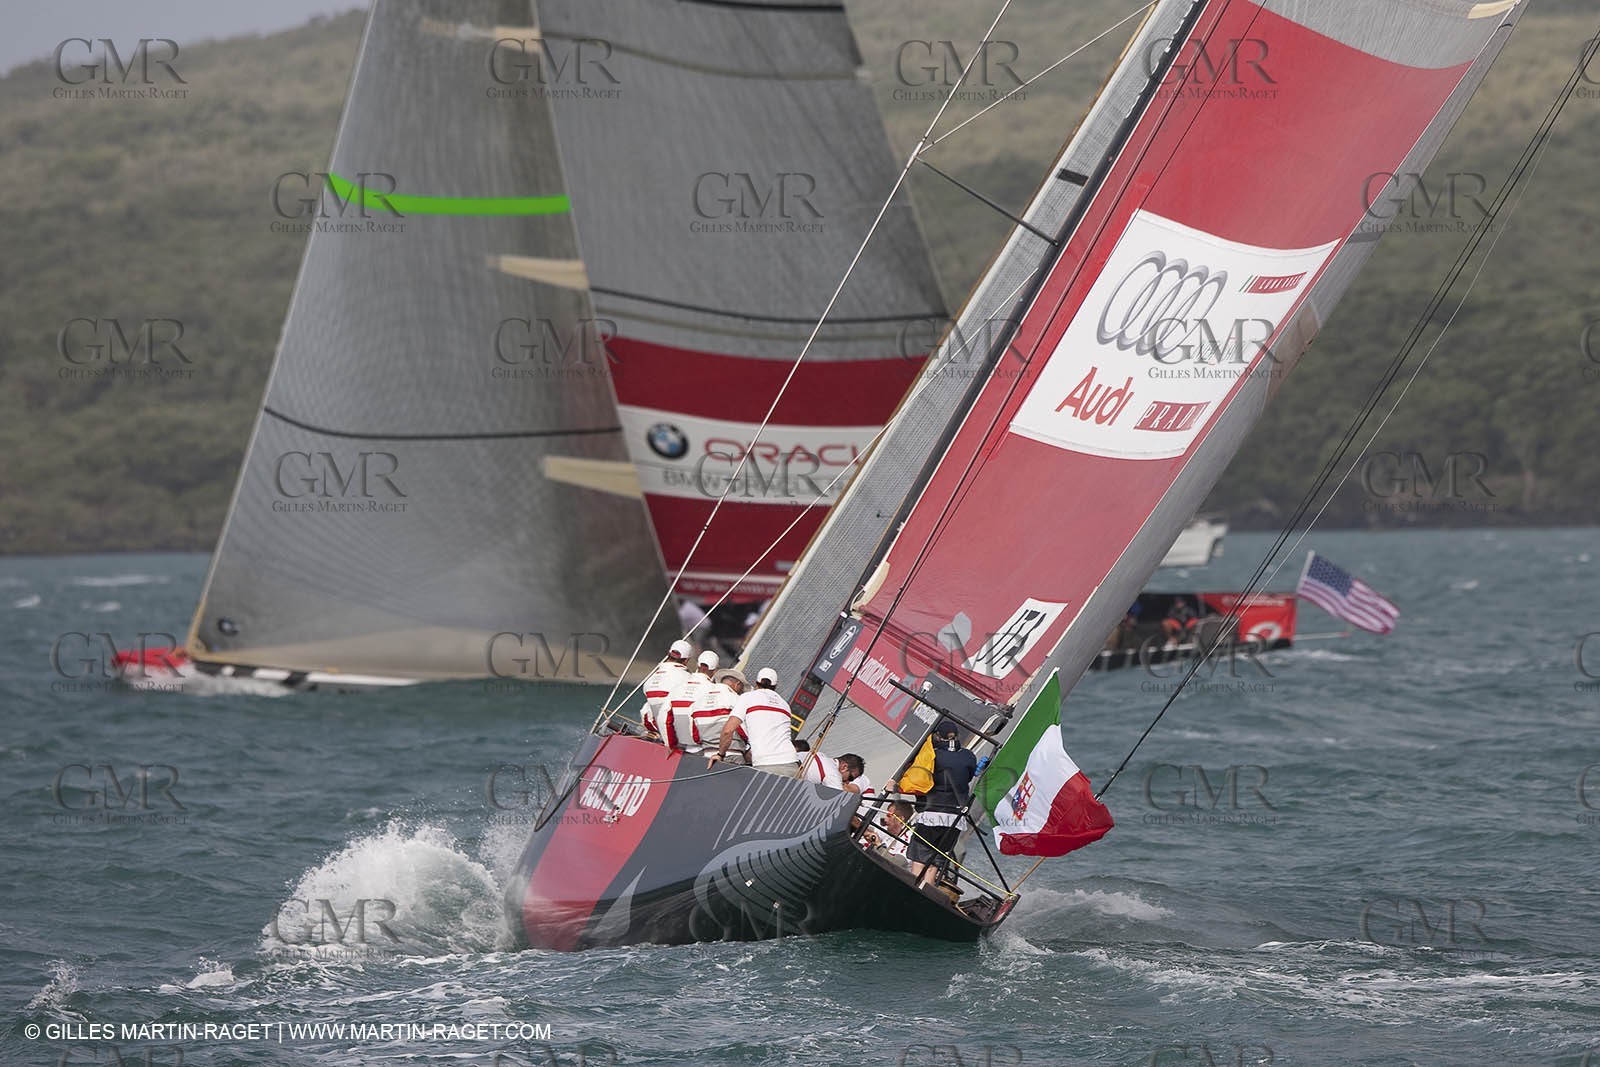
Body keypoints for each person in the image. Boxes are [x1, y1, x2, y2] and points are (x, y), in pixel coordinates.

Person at [907, 720, 977, 890]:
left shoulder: (933, 754)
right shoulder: (969, 756)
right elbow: (967, 778)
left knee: (919, 861)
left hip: (932, 814)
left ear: (938, 736)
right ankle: (926, 895)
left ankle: (913, 894)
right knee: (933, 865)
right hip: (955, 818)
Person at [712, 667, 798, 776]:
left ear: (756, 683)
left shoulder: (747, 697)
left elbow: (727, 731)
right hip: (791, 762)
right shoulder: (784, 705)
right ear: (775, 686)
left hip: (766, 764)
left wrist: (720, 754)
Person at [661, 650, 718, 750]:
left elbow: (663, 717)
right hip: (703, 748)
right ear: (715, 671)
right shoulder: (713, 690)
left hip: (680, 745)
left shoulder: (679, 687)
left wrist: (670, 745)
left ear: (698, 666)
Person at [640, 639, 692, 738]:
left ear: (668, 653)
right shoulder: (687, 679)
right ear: (686, 660)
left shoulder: (649, 680)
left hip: (656, 729)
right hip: (676, 733)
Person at [687, 667, 745, 751]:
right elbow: (744, 730)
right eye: (741, 689)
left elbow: (694, 736)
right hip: (732, 752)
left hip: (707, 753)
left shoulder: (698, 702)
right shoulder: (736, 700)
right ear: (737, 684)